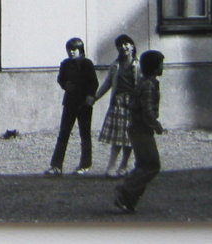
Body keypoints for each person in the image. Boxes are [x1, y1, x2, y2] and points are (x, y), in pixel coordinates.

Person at [114, 50, 166, 214]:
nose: (163, 67)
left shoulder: (144, 82)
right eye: (161, 64)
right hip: (141, 129)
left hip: (137, 128)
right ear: (155, 67)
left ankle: (129, 201)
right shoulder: (149, 85)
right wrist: (156, 125)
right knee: (152, 166)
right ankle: (125, 191)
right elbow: (147, 110)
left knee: (143, 165)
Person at [45, 37, 99, 176]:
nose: (72, 52)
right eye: (69, 50)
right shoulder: (65, 64)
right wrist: (65, 85)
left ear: (81, 50)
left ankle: (85, 165)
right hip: (70, 102)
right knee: (64, 133)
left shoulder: (87, 63)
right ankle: (56, 166)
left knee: (85, 134)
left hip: (84, 104)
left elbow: (94, 82)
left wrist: (90, 96)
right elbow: (61, 79)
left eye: (74, 49)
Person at [93, 34, 139, 178]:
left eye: (126, 44)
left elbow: (142, 84)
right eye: (120, 45)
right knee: (118, 138)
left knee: (129, 138)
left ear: (132, 46)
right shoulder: (115, 65)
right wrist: (96, 97)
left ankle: (123, 166)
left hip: (133, 104)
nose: (124, 47)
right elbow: (108, 83)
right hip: (118, 102)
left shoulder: (138, 65)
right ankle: (111, 167)